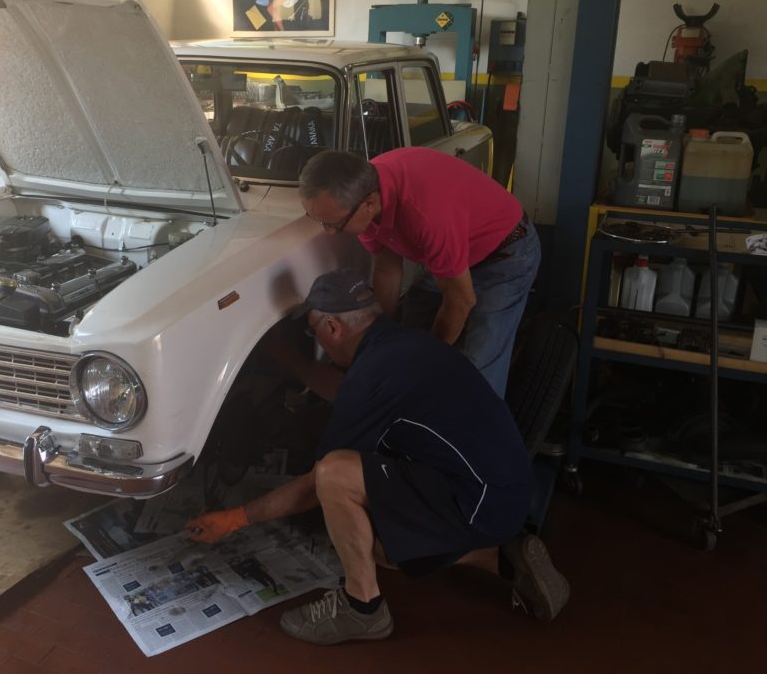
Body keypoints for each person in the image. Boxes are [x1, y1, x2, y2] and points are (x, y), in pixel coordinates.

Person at [185, 269, 569, 645]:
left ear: (332, 329)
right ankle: (505, 557)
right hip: (509, 490)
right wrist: (286, 358)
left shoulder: (372, 378)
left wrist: (236, 518)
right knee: (382, 550)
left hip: (479, 500)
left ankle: (362, 609)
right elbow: (348, 390)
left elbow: (316, 484)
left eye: (312, 331)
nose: (314, 338)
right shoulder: (401, 344)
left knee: (335, 474)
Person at [298, 147, 540, 398]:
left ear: (369, 204)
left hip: (503, 255)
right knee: (408, 334)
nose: (328, 232)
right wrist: (379, 338)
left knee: (475, 370)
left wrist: (426, 362)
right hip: (448, 252)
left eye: (333, 224)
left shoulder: (424, 214)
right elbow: (387, 268)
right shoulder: (363, 194)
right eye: (318, 220)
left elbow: (461, 300)